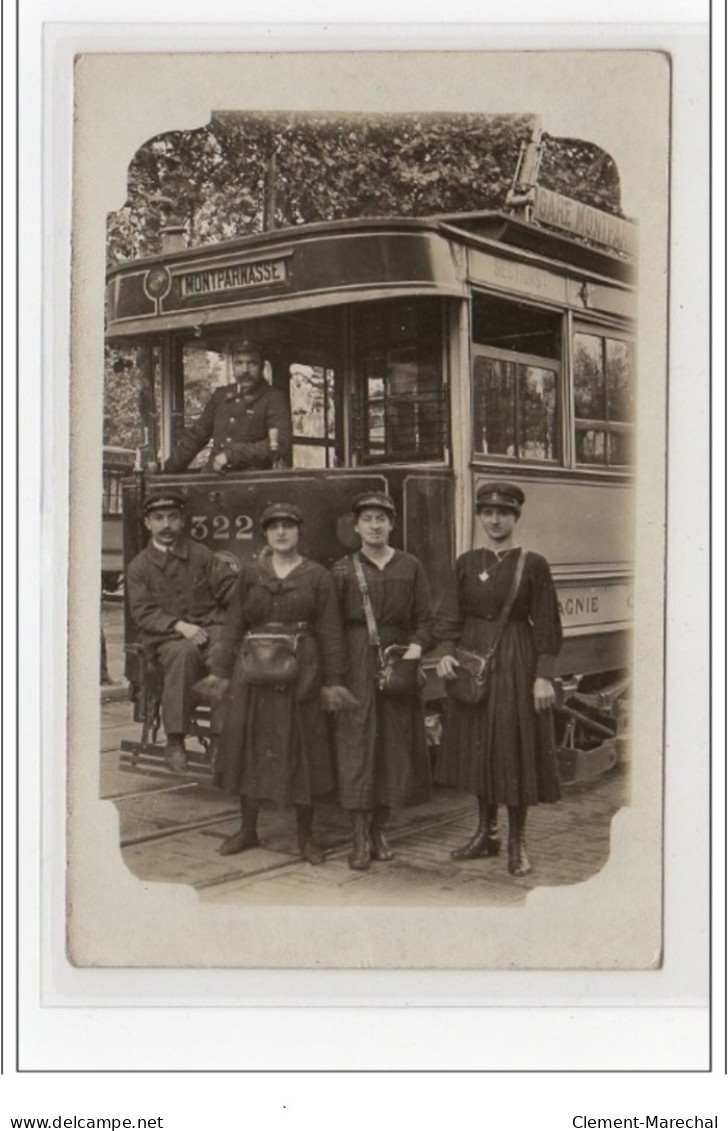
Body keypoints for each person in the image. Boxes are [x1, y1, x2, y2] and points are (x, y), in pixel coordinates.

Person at [206, 503, 353, 865]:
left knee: (304, 750)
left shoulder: (317, 576)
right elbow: (235, 622)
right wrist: (221, 671)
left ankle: (306, 837)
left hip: (301, 676)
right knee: (248, 748)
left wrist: (333, 680)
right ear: (266, 535)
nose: (282, 533)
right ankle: (247, 830)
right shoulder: (251, 573)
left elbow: (331, 630)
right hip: (253, 675)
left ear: (298, 532)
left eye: (288, 526)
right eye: (274, 528)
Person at [434, 482, 563, 876]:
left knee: (513, 749)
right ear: (480, 516)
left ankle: (517, 842)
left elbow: (548, 626)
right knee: (479, 750)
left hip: (515, 659)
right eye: (487, 512)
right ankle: (485, 833)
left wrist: (542, 677)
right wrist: (444, 653)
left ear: (515, 517)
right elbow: (451, 616)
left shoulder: (533, 563)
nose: (494, 520)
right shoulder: (466, 562)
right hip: (474, 661)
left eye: (502, 513)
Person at [332, 492, 434, 871]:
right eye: (367, 519)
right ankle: (358, 834)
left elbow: (426, 618)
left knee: (393, 745)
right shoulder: (342, 570)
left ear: (392, 524)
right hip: (356, 660)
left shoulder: (410, 566)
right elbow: (331, 624)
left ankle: (380, 831)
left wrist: (415, 651)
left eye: (381, 518)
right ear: (356, 526)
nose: (374, 525)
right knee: (356, 744)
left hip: (398, 660)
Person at [126, 491, 237, 772]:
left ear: (182, 521)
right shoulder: (139, 567)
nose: (166, 525)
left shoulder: (200, 554)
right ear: (148, 524)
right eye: (159, 518)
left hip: (210, 629)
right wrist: (179, 626)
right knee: (183, 654)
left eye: (172, 518)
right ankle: (175, 739)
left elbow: (227, 589)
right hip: (167, 638)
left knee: (225, 652)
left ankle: (221, 739)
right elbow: (142, 612)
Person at [163, 338, 292, 473]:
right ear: (233, 366)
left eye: (251, 363)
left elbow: (281, 444)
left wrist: (232, 455)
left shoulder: (273, 398)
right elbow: (195, 436)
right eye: (239, 363)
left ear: (262, 367)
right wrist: (165, 473)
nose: (245, 370)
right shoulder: (221, 396)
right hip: (213, 477)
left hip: (250, 482)